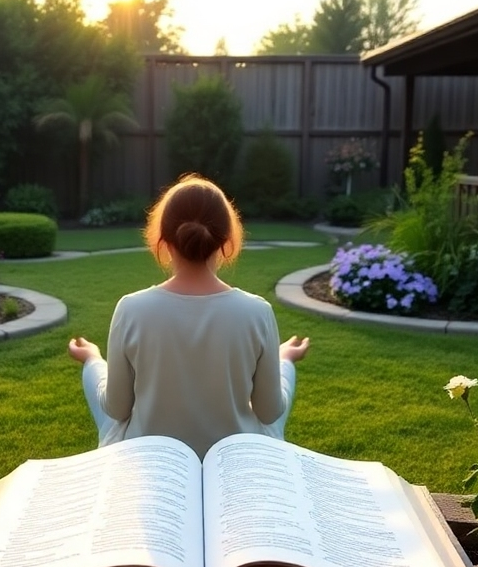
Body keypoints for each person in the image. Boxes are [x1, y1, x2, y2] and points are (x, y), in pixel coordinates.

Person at [68, 175, 310, 458]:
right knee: (283, 370)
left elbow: (116, 408)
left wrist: (93, 359)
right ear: (227, 241)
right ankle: (287, 362)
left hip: (153, 458)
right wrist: (284, 361)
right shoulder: (257, 312)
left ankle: (91, 360)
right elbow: (269, 413)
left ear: (162, 240)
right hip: (232, 461)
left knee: (96, 369)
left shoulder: (131, 309)